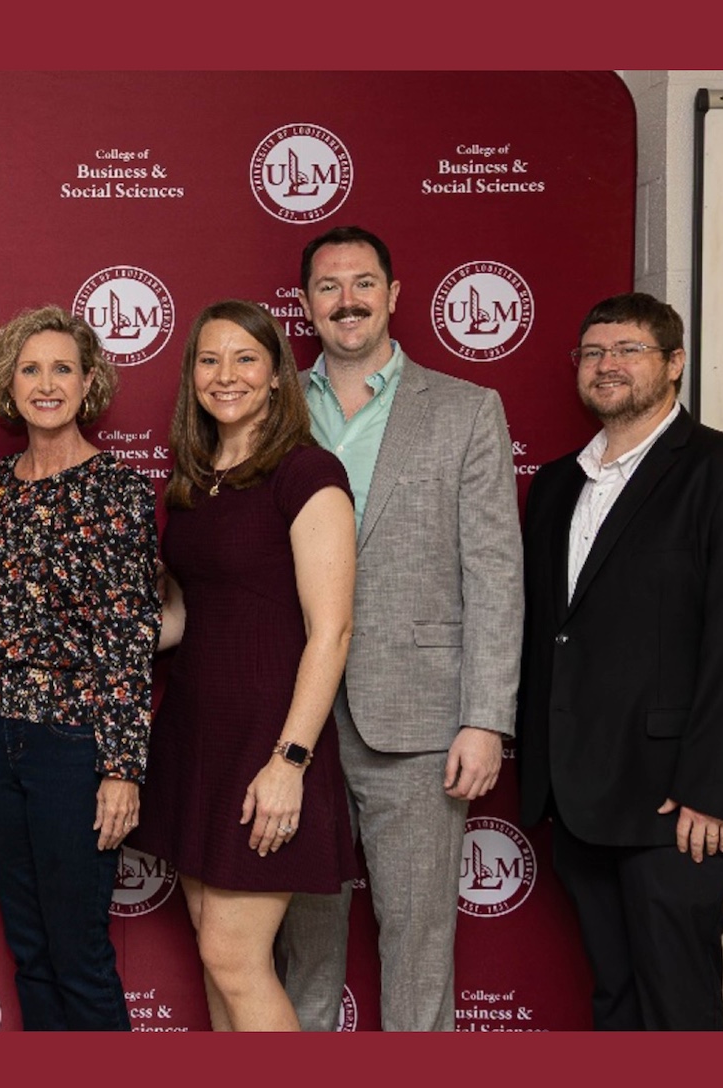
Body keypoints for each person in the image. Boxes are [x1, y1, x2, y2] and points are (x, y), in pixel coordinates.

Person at [518, 293, 723, 1030]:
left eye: (629, 350)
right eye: (593, 351)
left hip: (681, 803)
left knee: (678, 1007)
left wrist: (713, 788)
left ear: (674, 364)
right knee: (617, 999)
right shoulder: (555, 485)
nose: (607, 364)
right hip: (582, 796)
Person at [277, 226, 522, 1032]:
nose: (346, 300)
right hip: (293, 715)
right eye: (327, 285)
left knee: (418, 949)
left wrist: (485, 719)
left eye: (363, 282)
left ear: (394, 294)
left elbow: (494, 572)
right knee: (303, 949)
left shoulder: (464, 409)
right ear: (306, 302)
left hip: (417, 719)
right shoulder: (269, 407)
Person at [132, 299, 357, 1032]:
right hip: (199, 733)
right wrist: (100, 636)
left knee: (235, 956)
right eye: (208, 359)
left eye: (245, 358)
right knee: (214, 954)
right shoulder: (196, 481)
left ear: (275, 376)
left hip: (268, 738)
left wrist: (290, 758)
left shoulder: (307, 471)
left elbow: (333, 628)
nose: (225, 375)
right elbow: (192, 616)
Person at [0, 306, 157, 1031]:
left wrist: (121, 767)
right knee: (30, 950)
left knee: (78, 953)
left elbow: (128, 637)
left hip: (77, 747)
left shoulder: (119, 490)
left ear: (89, 382)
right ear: (7, 384)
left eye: (62, 369)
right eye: (30, 368)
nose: (46, 384)